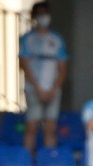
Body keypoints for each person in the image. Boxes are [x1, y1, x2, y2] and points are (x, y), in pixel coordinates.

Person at [19, 3, 68, 157]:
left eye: (45, 13)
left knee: (50, 128)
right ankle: (27, 161)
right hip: (34, 89)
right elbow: (24, 65)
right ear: (33, 17)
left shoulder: (57, 39)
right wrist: (38, 89)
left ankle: (49, 162)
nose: (43, 17)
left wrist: (54, 89)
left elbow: (63, 67)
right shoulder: (27, 39)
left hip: (53, 90)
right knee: (32, 126)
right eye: (39, 14)